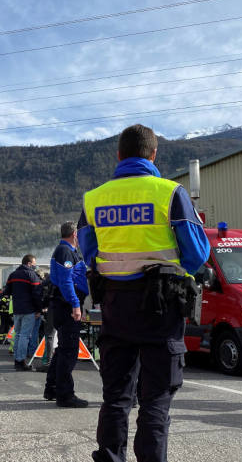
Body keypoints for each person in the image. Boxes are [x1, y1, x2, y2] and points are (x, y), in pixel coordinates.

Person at [78, 124, 210, 462]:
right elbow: (196, 254)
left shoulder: (94, 199)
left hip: (114, 304)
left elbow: (88, 252)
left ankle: (110, 456)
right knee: (155, 398)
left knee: (116, 396)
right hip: (161, 305)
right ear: (153, 154)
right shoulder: (170, 193)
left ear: (119, 155)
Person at [44, 221, 90, 407]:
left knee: (63, 350)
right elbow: (66, 281)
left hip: (63, 305)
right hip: (66, 306)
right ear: (74, 234)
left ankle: (53, 388)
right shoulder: (65, 252)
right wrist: (75, 305)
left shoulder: (67, 251)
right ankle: (65, 395)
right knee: (69, 352)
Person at [4, 254, 43, 371]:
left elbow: (7, 291)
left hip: (17, 310)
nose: (35, 267)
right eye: (34, 264)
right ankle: (21, 361)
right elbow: (37, 295)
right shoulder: (32, 275)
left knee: (18, 335)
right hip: (29, 310)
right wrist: (39, 309)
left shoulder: (12, 275)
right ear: (29, 263)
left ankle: (17, 360)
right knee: (24, 336)